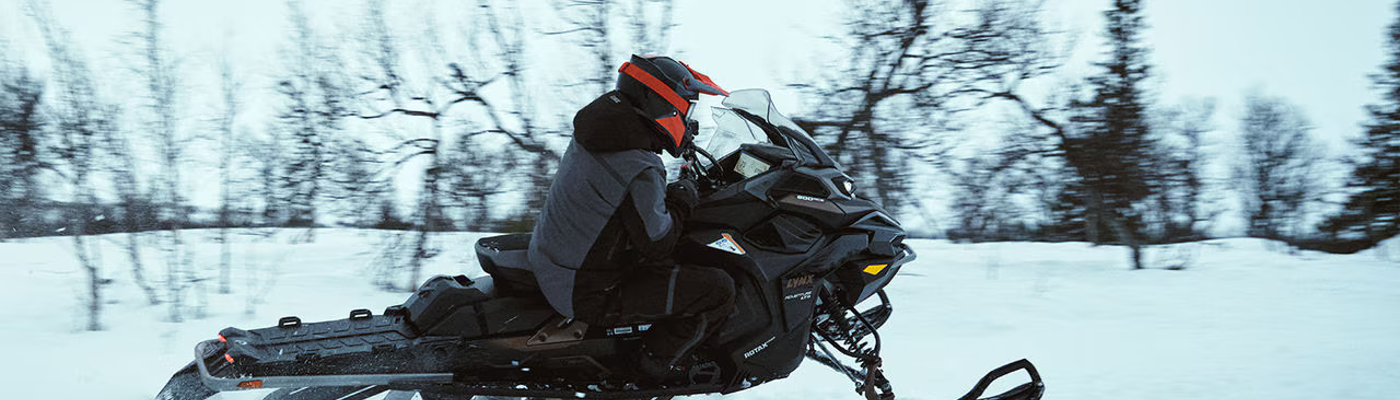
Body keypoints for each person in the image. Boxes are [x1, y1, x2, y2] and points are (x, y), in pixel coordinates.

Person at [526, 54, 737, 381]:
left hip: (559, 261)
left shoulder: (604, 130)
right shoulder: (639, 165)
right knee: (717, 290)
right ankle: (646, 372)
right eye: (685, 110)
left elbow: (620, 201)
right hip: (586, 290)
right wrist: (683, 198)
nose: (686, 121)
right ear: (663, 104)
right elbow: (658, 242)